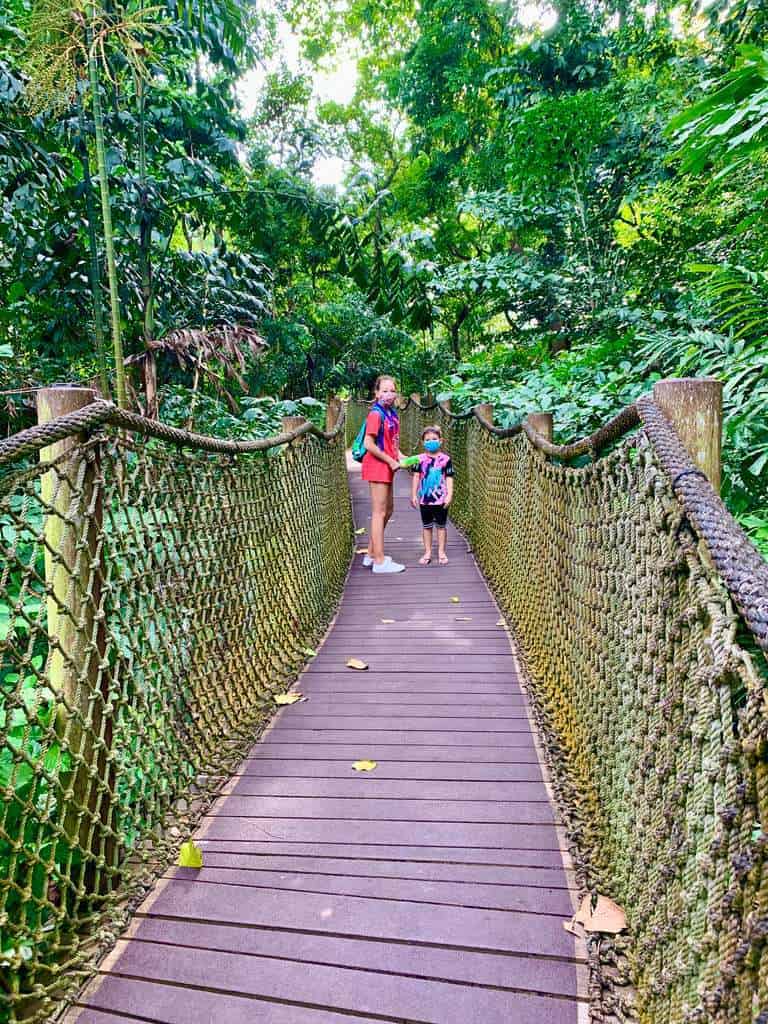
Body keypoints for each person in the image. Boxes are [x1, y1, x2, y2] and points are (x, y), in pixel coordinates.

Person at [361, 375, 406, 574]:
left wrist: (402, 457)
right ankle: (379, 561)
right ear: (377, 393)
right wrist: (390, 460)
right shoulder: (376, 414)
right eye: (384, 391)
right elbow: (368, 444)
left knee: (388, 510)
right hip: (378, 465)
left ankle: (371, 554)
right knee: (379, 512)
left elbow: (392, 443)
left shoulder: (392, 413)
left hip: (388, 465)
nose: (388, 394)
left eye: (392, 391)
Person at [410, 425, 454, 565]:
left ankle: (441, 552)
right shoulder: (419, 459)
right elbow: (416, 477)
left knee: (441, 526)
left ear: (441, 441)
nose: (431, 441)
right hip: (425, 500)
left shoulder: (446, 459)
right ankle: (428, 552)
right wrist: (413, 495)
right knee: (426, 526)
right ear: (423, 442)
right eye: (427, 439)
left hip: (440, 500)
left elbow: (449, 478)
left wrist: (449, 495)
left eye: (434, 439)